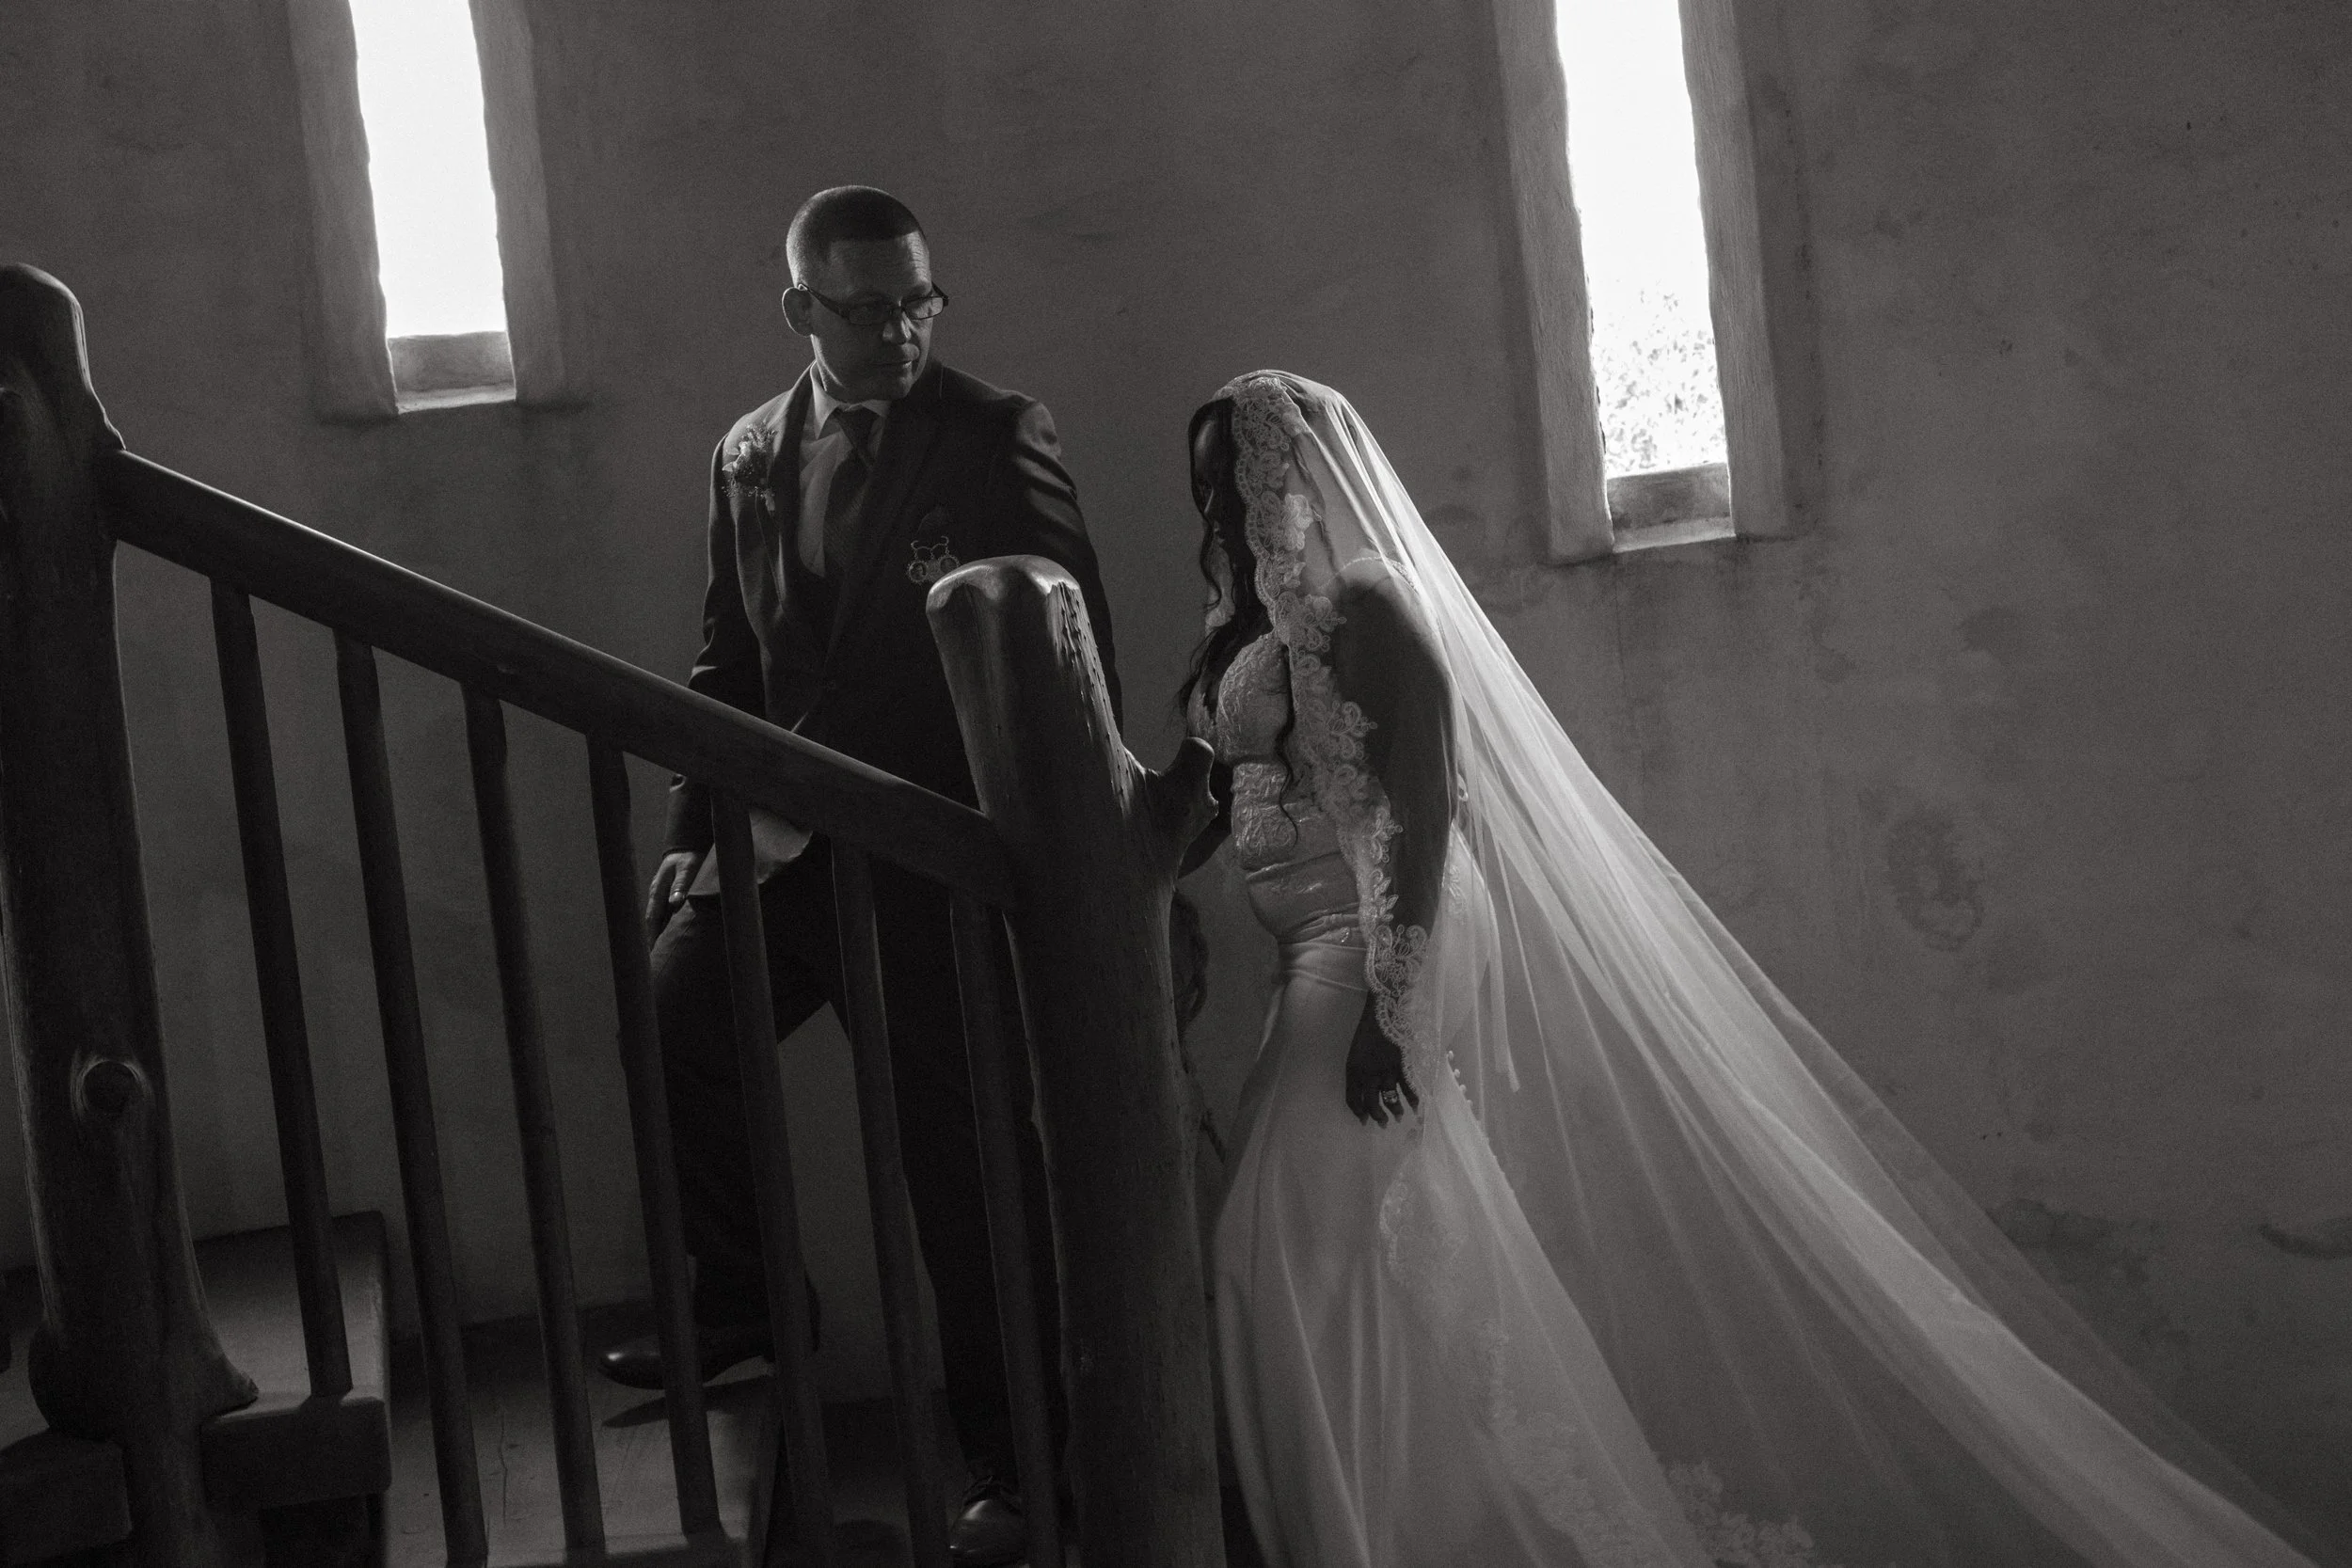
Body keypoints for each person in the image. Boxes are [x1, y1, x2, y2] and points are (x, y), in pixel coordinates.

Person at [1179, 370, 2329, 1568]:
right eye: (1207, 490)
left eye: (1239, 479)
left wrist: (1393, 1000)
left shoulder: (1371, 604)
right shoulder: (1256, 633)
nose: (1223, 509)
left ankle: (1362, 1518)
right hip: (1313, 954)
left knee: (1275, 1229)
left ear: (1299, 472)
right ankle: (1419, 1511)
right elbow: (1239, 786)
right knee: (1354, 1240)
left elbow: (1429, 802)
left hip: (1379, 943)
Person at [600, 185, 1119, 1568]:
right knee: (675, 1014)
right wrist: (690, 833)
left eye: (920, 302)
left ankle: (1020, 1465)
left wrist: (1084, 845)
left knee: (965, 1170)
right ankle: (745, 1302)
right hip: (780, 846)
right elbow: (729, 658)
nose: (902, 331)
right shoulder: (747, 451)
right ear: (802, 309)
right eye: (871, 307)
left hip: (931, 858)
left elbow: (1072, 645)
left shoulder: (994, 433)